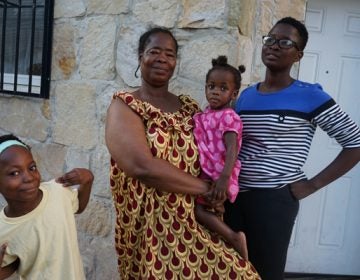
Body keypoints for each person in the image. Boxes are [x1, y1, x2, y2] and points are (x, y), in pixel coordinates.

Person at [105, 27, 260, 279]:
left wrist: (221, 188)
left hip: (194, 220)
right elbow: (141, 166)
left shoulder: (190, 109)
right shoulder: (125, 106)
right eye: (154, 51)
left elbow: (214, 151)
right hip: (149, 227)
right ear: (139, 56)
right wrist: (207, 188)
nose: (162, 59)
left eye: (170, 54)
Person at [223, 16, 360, 280]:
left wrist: (312, 185)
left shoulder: (311, 96)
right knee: (230, 271)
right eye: (270, 39)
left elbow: (354, 144)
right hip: (234, 198)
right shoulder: (246, 96)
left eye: (285, 42)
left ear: (298, 55)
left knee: (265, 273)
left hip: (273, 201)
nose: (273, 46)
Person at [0, 134, 94, 280]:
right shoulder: (3, 229)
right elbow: (12, 264)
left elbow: (79, 207)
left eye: (32, 168)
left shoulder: (58, 191)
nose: (29, 177)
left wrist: (87, 180)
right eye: (15, 173)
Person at [193, 55, 248, 260]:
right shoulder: (204, 114)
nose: (215, 91)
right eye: (211, 86)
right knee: (210, 211)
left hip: (220, 174)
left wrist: (224, 178)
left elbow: (232, 148)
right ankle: (220, 251)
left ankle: (234, 238)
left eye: (223, 88)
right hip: (208, 172)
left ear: (233, 94)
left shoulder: (229, 116)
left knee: (200, 211)